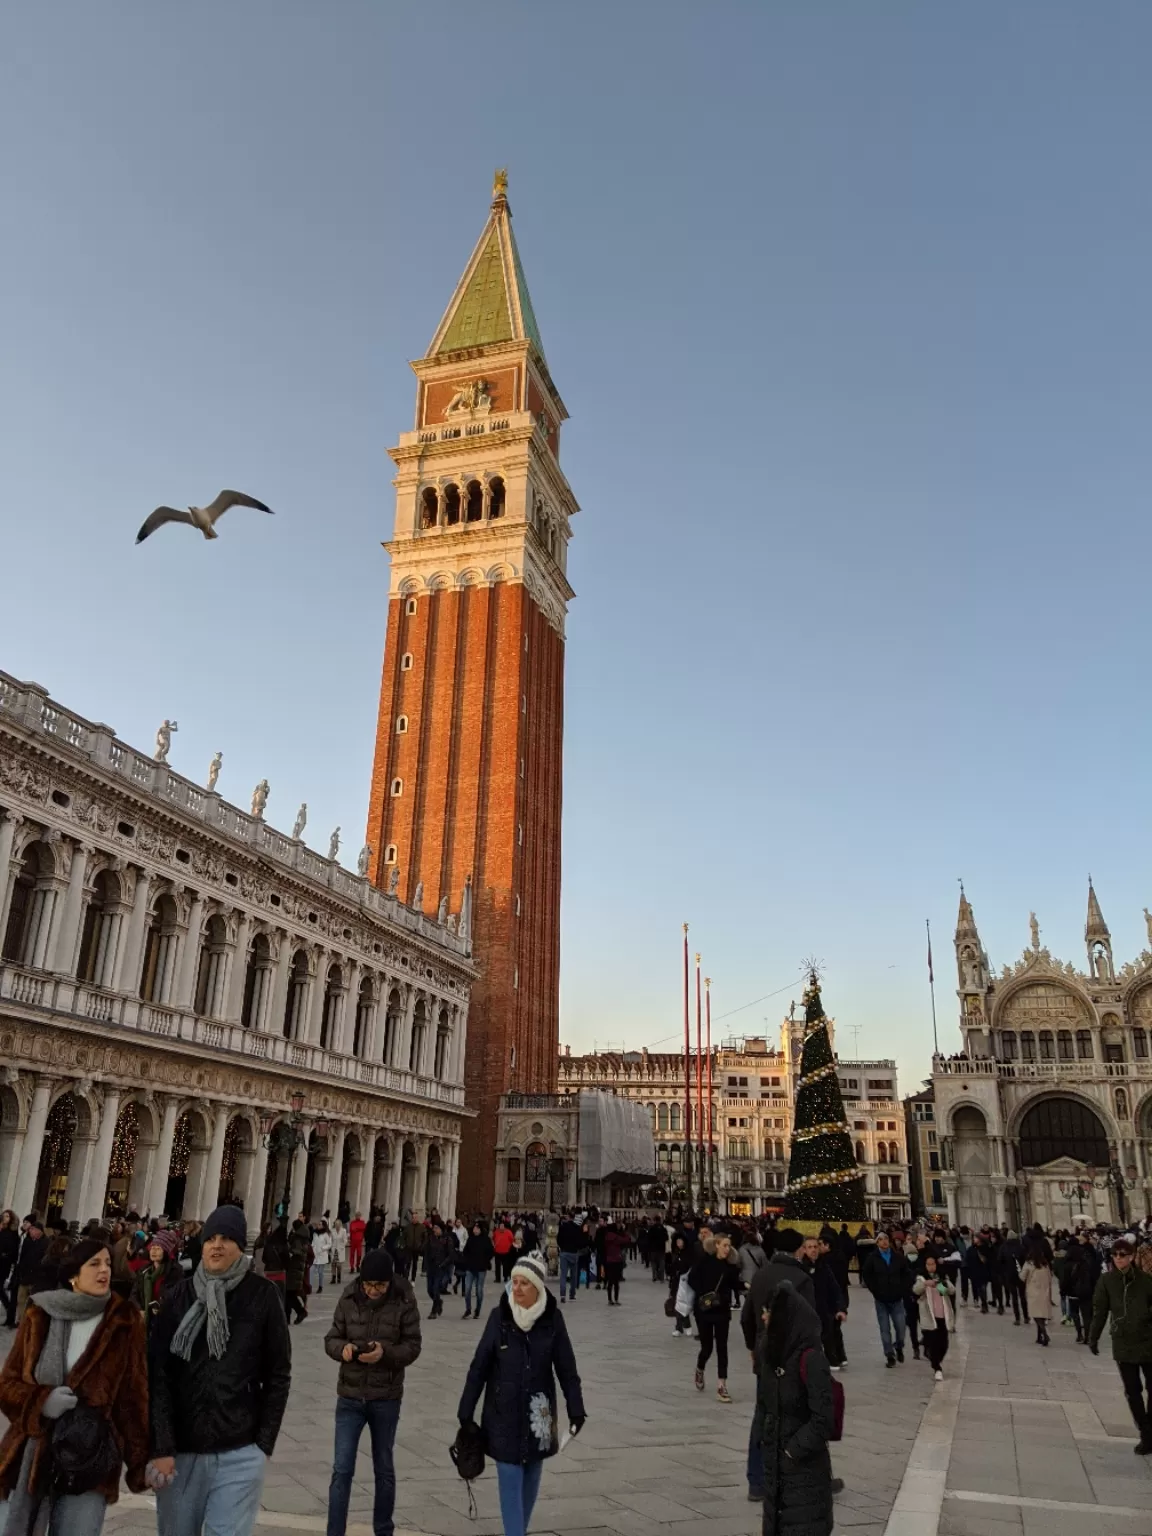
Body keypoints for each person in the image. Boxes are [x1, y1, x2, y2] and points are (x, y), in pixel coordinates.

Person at [148, 1204, 293, 1536]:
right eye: (211, 1237)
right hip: (181, 1453)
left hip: (239, 1450)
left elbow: (278, 1374)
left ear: (240, 1246)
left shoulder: (263, 1295)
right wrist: (161, 1446)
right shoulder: (177, 1297)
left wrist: (263, 1445)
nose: (216, 1245)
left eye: (227, 1238)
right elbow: (158, 1376)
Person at [0, 1237, 150, 1533]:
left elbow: (134, 1396)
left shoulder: (124, 1321)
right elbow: (7, 1384)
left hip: (91, 1456)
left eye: (107, 1263)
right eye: (94, 1264)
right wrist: (41, 1401)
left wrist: (140, 1463)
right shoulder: (39, 1314)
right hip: (33, 1450)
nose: (104, 1270)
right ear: (73, 1275)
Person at [458, 1252, 585, 1536]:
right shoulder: (499, 1318)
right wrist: (465, 1412)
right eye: (514, 1282)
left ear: (537, 1287)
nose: (516, 1288)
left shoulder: (553, 1320)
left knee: (531, 1478)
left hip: (538, 1414)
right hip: (502, 1413)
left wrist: (576, 1408)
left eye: (523, 1283)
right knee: (509, 1476)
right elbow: (479, 1366)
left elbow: (567, 1368)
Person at [324, 1249, 421, 1536]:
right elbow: (331, 1338)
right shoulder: (349, 1297)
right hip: (350, 1396)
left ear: (389, 1282)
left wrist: (385, 1353)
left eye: (379, 1286)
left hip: (386, 1398)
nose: (373, 1291)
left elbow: (413, 1345)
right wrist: (342, 1350)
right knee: (341, 1469)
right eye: (369, 1285)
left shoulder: (404, 1300)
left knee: (384, 1468)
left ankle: (383, 1530)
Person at [752, 1281, 836, 1536]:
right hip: (776, 1472)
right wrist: (764, 1439)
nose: (764, 1317)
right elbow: (764, 1404)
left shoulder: (810, 1358)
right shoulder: (770, 1355)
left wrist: (792, 1451)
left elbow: (823, 1418)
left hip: (804, 1471)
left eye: (769, 1311)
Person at [1088, 1238, 1152, 1451]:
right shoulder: (1107, 1281)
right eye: (1115, 1255)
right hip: (1123, 1342)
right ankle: (1145, 1431)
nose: (1118, 1259)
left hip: (1147, 1340)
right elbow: (1100, 1310)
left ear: (1132, 1256)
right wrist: (1093, 1336)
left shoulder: (1145, 1280)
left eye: (1123, 1255)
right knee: (1132, 1391)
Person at [688, 1231, 737, 1403]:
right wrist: (705, 1294)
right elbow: (691, 1280)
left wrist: (746, 1285)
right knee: (707, 1347)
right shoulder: (704, 1262)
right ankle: (700, 1368)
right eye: (724, 1245)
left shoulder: (730, 1266)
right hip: (705, 1310)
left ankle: (721, 1385)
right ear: (716, 1245)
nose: (727, 1249)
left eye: (729, 1246)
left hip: (722, 1310)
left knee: (722, 1348)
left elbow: (734, 1283)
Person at [861, 1230, 913, 1367]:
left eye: (886, 1239)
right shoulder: (872, 1258)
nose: (884, 1241)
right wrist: (875, 1290)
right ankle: (889, 1354)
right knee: (885, 1329)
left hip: (896, 1298)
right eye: (880, 1239)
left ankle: (899, 1346)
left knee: (901, 1327)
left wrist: (903, 1289)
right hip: (881, 1299)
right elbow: (866, 1274)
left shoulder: (898, 1257)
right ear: (877, 1242)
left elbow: (907, 1273)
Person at [913, 1254, 955, 1381]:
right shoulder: (921, 1278)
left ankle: (934, 1357)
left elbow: (950, 1291)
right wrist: (926, 1284)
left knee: (944, 1344)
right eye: (928, 1264)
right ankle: (937, 1367)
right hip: (929, 1317)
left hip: (942, 1315)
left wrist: (942, 1284)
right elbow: (916, 1290)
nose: (931, 1267)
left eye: (933, 1264)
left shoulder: (942, 1277)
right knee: (933, 1342)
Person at [134, 1230, 181, 1337]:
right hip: (144, 1320)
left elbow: (175, 1295)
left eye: (158, 1248)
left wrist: (161, 1306)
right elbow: (134, 1293)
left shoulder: (174, 1272)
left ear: (165, 1251)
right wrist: (139, 1308)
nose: (153, 1251)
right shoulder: (144, 1271)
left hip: (163, 1322)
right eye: (152, 1248)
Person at [1062, 1231, 1101, 1344]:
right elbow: (1093, 1274)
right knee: (1086, 1314)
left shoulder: (1068, 1262)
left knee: (1075, 1313)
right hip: (1086, 1291)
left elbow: (1065, 1279)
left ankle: (1079, 1333)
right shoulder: (1086, 1260)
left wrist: (1063, 1291)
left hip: (1072, 1292)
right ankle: (1088, 1336)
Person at [13, 1218, 48, 1323]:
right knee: (21, 1299)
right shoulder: (27, 1241)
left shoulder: (46, 1242)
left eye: (32, 1229)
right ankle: (20, 1319)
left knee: (33, 1302)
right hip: (25, 1276)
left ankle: (31, 1321)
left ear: (39, 1231)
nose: (30, 1231)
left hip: (37, 1278)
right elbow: (22, 1257)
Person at [1020, 1243, 1056, 1347]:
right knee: (1042, 1314)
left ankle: (1044, 1334)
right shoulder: (1045, 1264)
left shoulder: (1028, 1264)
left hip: (1033, 1291)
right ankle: (1039, 1337)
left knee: (1036, 1315)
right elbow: (1050, 1277)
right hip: (1044, 1291)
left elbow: (1022, 1277)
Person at [461, 1221, 494, 1319]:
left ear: (480, 1229)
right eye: (474, 1228)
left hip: (481, 1269)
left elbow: (491, 1252)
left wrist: (485, 1261)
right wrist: (467, 1260)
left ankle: (478, 1309)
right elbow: (465, 1251)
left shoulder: (486, 1240)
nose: (475, 1230)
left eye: (476, 1228)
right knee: (467, 1289)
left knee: (479, 1290)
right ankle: (468, 1309)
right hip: (470, 1268)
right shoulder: (470, 1239)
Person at [424, 1219, 456, 1319]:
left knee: (436, 1288)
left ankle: (434, 1311)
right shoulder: (431, 1238)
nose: (434, 1230)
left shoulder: (447, 1239)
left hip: (440, 1267)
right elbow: (426, 1251)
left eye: (436, 1228)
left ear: (441, 1229)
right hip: (431, 1267)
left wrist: (443, 1264)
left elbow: (451, 1255)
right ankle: (438, 1301)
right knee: (429, 1290)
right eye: (434, 1228)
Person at [285, 1219, 312, 1325]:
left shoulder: (298, 1238)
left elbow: (296, 1251)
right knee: (289, 1293)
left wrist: (289, 1251)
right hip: (298, 1268)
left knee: (289, 1294)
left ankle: (300, 1311)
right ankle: (292, 1315)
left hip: (294, 1269)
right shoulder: (304, 1237)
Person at [556, 1212, 582, 1303]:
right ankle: (572, 1294)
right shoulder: (577, 1228)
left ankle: (563, 1295)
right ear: (574, 1217)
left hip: (564, 1252)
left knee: (563, 1274)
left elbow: (558, 1239)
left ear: (568, 1217)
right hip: (574, 1253)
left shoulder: (563, 1227)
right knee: (573, 1275)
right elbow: (580, 1241)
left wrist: (562, 1246)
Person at [0, 1212, 20, 1331]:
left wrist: (6, 1256)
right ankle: (9, 1307)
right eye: (4, 1215)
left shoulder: (12, 1232)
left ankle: (8, 1307)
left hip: (3, 1264)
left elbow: (13, 1248)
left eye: (7, 1216)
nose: (5, 1217)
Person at [602, 1222, 627, 1306]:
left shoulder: (606, 1237)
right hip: (617, 1260)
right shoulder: (617, 1238)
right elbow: (626, 1240)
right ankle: (616, 1299)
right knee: (616, 1282)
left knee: (610, 1281)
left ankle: (609, 1299)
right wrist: (623, 1231)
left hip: (609, 1260)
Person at [311, 1222, 332, 1296]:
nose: (318, 1225)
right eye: (318, 1224)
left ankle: (320, 1286)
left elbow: (329, 1244)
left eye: (320, 1224)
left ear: (323, 1226)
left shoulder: (326, 1234)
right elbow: (313, 1242)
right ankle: (309, 1286)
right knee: (311, 1270)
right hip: (315, 1255)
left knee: (320, 1272)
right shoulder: (315, 1233)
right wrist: (312, 1247)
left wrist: (322, 1248)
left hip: (322, 1255)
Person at [648, 1216, 668, 1283]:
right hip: (661, 1248)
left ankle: (654, 1276)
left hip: (653, 1249)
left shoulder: (651, 1228)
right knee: (662, 1262)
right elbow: (666, 1238)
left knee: (654, 1263)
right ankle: (661, 1277)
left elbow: (649, 1238)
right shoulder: (663, 1228)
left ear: (654, 1220)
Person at [330, 1219, 348, 1287]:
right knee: (333, 1264)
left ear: (340, 1225)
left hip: (340, 1249)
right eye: (335, 1224)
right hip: (334, 1249)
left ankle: (339, 1277)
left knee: (339, 1265)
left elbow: (345, 1240)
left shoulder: (343, 1231)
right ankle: (333, 1278)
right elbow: (331, 1239)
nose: (337, 1226)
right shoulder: (332, 1231)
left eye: (338, 1224)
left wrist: (342, 1246)